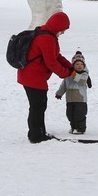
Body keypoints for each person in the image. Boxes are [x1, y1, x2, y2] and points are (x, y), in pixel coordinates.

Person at [17, 11, 74, 143]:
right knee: (37, 106)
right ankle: (36, 135)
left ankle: (39, 132)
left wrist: (69, 67)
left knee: (39, 106)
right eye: (63, 29)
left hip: (31, 76)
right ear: (57, 26)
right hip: (33, 77)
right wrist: (66, 73)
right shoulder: (46, 38)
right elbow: (51, 62)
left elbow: (56, 56)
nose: (64, 32)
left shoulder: (46, 33)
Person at [55, 51, 92, 134]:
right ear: (73, 65)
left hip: (80, 99)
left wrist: (73, 73)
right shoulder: (69, 75)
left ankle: (80, 129)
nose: (79, 66)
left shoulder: (84, 74)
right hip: (70, 99)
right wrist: (59, 93)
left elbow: (81, 81)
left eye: (81, 64)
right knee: (70, 115)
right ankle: (73, 127)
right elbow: (63, 85)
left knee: (79, 114)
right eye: (77, 64)